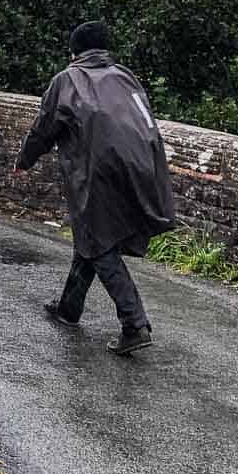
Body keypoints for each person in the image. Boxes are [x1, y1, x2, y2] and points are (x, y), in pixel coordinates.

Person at [13, 20, 176, 353]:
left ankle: (135, 324)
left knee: (100, 245)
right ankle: (69, 309)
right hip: (142, 164)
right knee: (91, 235)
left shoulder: (67, 79)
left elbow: (44, 128)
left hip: (98, 170)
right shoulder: (125, 76)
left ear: (74, 52)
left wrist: (24, 160)